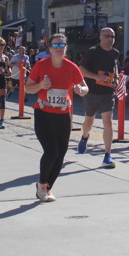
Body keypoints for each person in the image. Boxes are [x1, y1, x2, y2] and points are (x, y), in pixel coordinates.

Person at [24, 33, 88, 202]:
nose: (59, 48)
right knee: (52, 151)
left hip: (63, 115)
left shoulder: (71, 67)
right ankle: (42, 184)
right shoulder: (41, 66)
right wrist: (40, 85)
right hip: (43, 113)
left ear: (66, 48)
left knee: (61, 154)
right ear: (50, 48)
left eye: (62, 45)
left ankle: (47, 188)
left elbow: (84, 87)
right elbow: (28, 88)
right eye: (55, 45)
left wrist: (81, 90)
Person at [77, 27, 122, 168]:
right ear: (101, 37)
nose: (110, 39)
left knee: (108, 123)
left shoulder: (115, 53)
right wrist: (96, 76)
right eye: (108, 36)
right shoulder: (92, 51)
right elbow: (81, 70)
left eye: (113, 36)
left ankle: (107, 155)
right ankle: (85, 136)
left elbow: (115, 67)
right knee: (89, 121)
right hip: (91, 92)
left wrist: (116, 79)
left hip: (107, 93)